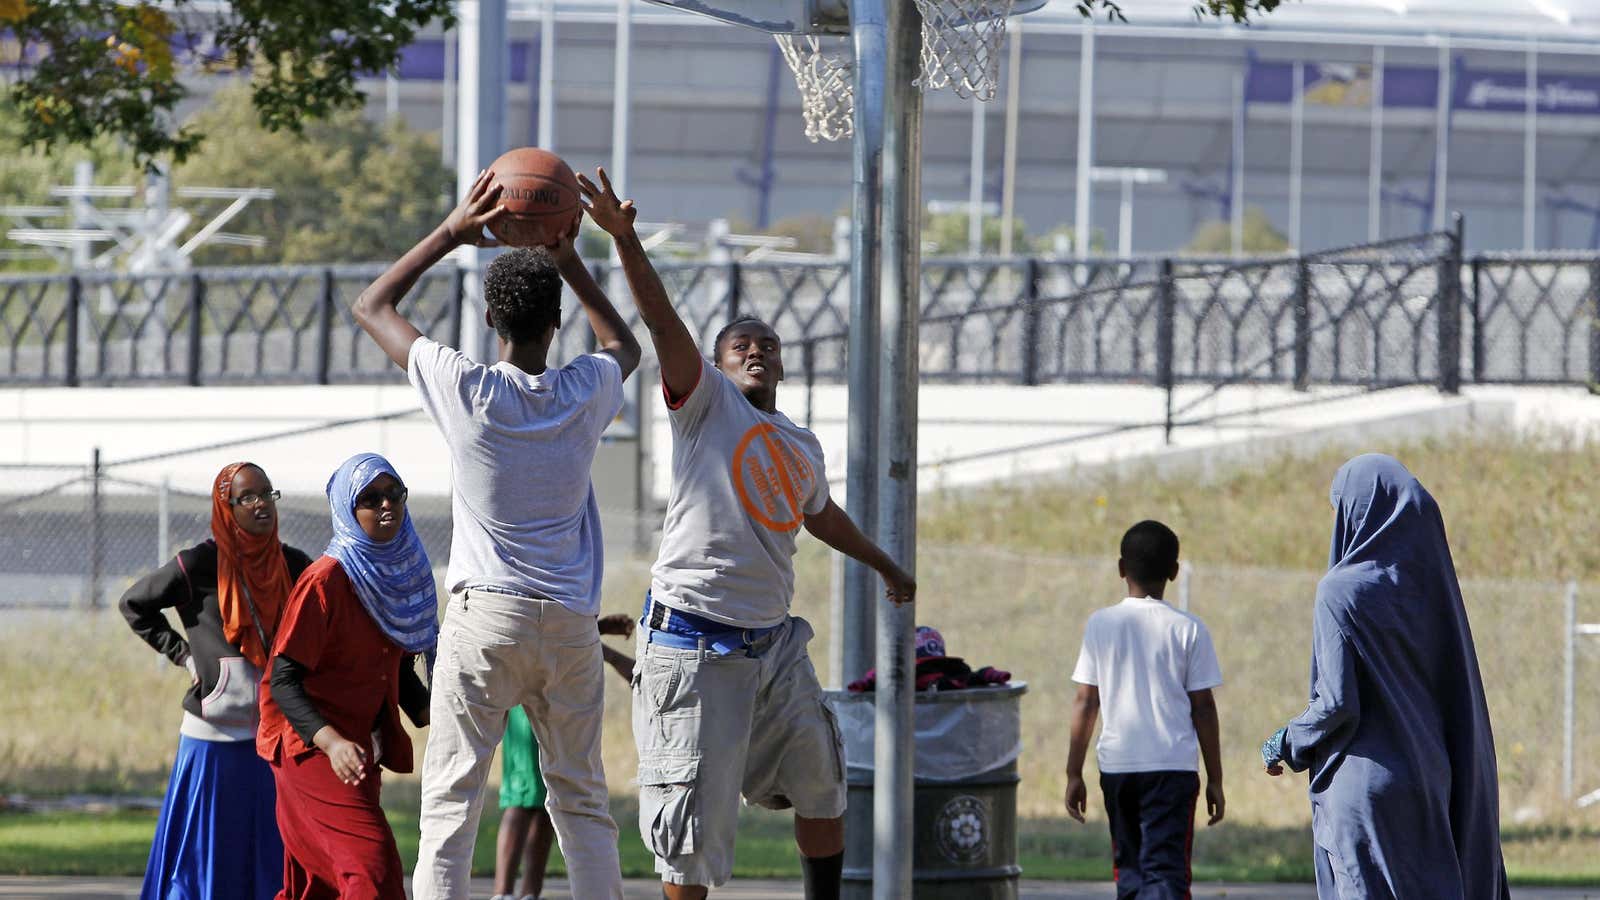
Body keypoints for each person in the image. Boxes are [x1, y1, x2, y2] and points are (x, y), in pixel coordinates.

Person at [577, 167, 915, 900]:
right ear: (719, 366)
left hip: (774, 646)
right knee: (691, 841)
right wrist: (626, 240)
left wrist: (883, 562)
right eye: (740, 346)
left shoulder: (800, 444)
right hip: (697, 645)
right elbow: (663, 322)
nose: (756, 350)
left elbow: (819, 516)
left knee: (825, 778)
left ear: (783, 362)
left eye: (767, 343)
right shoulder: (705, 406)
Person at [352, 167, 642, 900]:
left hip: (487, 616)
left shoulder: (466, 390)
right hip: (570, 624)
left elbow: (372, 304)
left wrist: (453, 232)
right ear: (555, 325)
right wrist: (570, 255)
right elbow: (626, 349)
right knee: (581, 803)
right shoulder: (582, 390)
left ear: (490, 321)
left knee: (451, 806)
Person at [1261, 454, 1510, 900]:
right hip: (1431, 784)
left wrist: (1285, 742)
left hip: (1363, 789)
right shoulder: (1436, 594)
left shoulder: (1339, 591)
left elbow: (1337, 704)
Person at [120, 461, 311, 900]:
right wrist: (184, 656)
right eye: (248, 496)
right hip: (212, 740)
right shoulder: (198, 565)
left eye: (267, 493)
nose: (261, 503)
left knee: (270, 865)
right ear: (226, 506)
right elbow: (134, 605)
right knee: (203, 864)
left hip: (274, 739)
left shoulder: (295, 564)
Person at [257, 452, 435, 899]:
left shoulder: (397, 574)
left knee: (320, 886)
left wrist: (449, 711)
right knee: (371, 872)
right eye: (370, 498)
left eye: (394, 493)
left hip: (358, 752)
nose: (386, 506)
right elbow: (283, 679)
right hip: (313, 752)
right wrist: (331, 742)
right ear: (346, 509)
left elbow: (392, 665)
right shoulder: (326, 580)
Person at [1063, 520, 1225, 900]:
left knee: (1131, 873)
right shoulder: (1189, 629)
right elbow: (1203, 708)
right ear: (1174, 571)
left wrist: (1073, 772)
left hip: (1118, 768)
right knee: (1166, 874)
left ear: (1122, 569)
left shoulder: (1100, 624)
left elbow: (1086, 700)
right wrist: (1215, 777)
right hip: (1172, 769)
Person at [491, 614, 636, 900]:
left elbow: (560, 627)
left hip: (556, 692)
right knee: (521, 796)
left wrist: (600, 627)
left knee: (548, 797)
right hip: (528, 695)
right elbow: (542, 628)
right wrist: (617, 659)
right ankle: (503, 892)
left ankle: (530, 893)